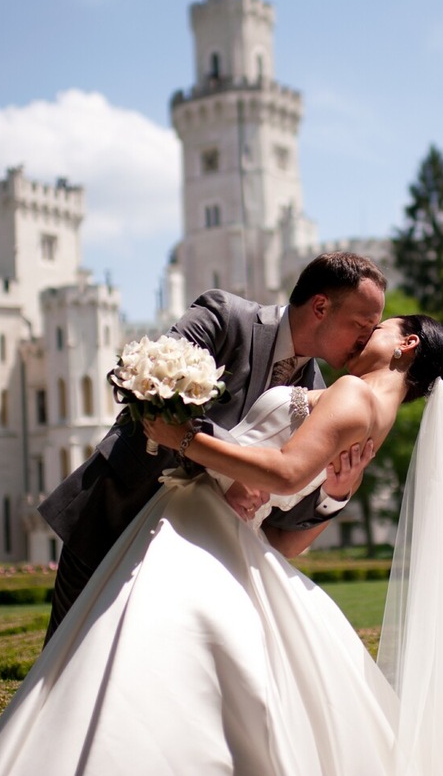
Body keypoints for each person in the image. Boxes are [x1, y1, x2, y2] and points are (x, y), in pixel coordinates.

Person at [0, 315, 443, 775]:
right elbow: (288, 540)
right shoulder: (377, 419)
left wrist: (184, 437)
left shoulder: (353, 395)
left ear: (406, 344)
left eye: (382, 328)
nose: (368, 335)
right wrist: (333, 496)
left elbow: (287, 475)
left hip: (200, 522)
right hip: (223, 527)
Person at [37, 252, 388, 640]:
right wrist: (233, 468)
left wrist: (334, 495)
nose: (366, 340)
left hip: (200, 565)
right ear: (321, 306)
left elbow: (281, 523)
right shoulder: (225, 316)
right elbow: (147, 387)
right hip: (116, 516)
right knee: (64, 668)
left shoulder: (321, 397)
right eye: (362, 324)